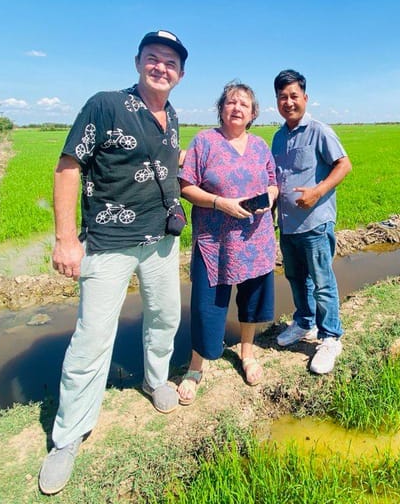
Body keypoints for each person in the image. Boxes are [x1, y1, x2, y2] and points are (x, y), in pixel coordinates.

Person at [38, 30, 187, 495]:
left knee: (165, 317)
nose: (161, 67)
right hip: (108, 241)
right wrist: (65, 239)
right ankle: (67, 437)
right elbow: (68, 166)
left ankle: (155, 380)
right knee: (92, 338)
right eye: (154, 58)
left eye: (171, 62)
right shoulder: (105, 105)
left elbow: (162, 164)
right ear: (139, 61)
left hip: (162, 239)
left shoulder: (173, 116)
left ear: (180, 74)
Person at [177, 81, 278, 404]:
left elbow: (274, 182)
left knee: (251, 301)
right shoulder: (204, 142)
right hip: (215, 243)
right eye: (231, 102)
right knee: (208, 305)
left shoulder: (260, 146)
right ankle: (196, 368)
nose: (237, 108)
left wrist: (270, 197)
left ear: (253, 114)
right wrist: (221, 203)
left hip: (256, 238)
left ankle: (247, 354)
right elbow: (186, 186)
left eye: (244, 105)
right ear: (221, 108)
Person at [271, 69, 352, 374]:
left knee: (322, 282)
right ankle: (304, 322)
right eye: (282, 97)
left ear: (305, 98)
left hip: (315, 223)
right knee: (295, 278)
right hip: (288, 224)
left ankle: (331, 336)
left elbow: (344, 165)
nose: (288, 102)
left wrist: (317, 192)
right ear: (277, 101)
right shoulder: (278, 137)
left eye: (294, 96)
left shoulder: (320, 131)